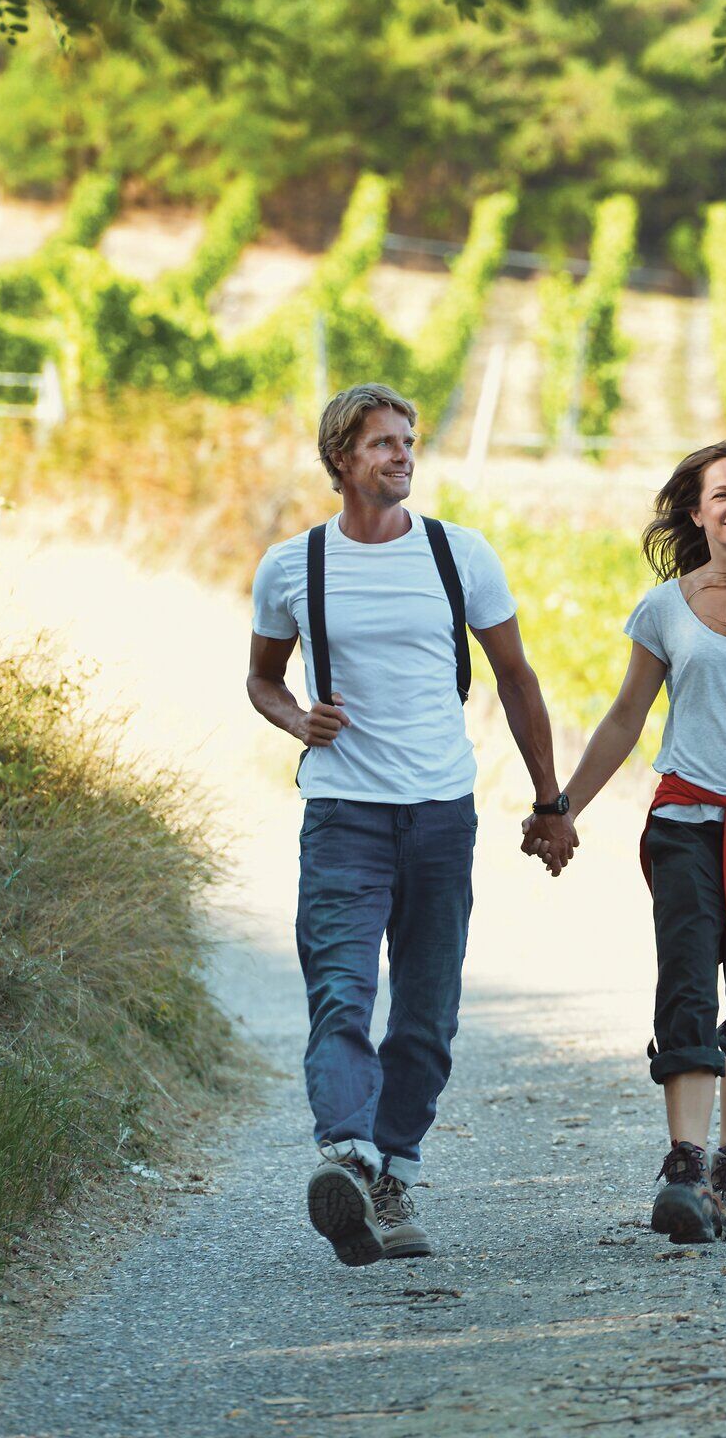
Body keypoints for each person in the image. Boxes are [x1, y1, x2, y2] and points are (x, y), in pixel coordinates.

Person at [248, 382, 578, 1266]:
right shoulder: (294, 566)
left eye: (407, 440)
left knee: (426, 1015)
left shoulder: (456, 555)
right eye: (383, 444)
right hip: (343, 816)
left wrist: (551, 804)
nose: (402, 455)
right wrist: (293, 720)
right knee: (341, 997)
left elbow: (515, 678)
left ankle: (388, 1174)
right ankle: (349, 1158)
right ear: (341, 461)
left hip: (438, 817)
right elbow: (263, 681)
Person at [522, 440, 726, 1243]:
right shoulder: (663, 609)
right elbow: (626, 719)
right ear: (695, 513)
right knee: (687, 988)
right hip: (686, 823)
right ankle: (685, 1170)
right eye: (721, 495)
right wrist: (563, 806)